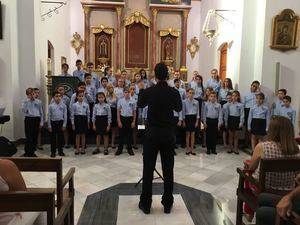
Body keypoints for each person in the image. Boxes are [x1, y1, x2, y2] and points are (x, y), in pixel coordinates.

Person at [138, 62, 182, 214]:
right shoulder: (173, 92)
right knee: (168, 169)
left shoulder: (150, 91)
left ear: (155, 76)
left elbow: (140, 104)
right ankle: (168, 203)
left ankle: (146, 203)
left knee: (148, 169)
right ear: (167, 75)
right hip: (168, 134)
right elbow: (179, 108)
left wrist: (141, 91)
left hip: (152, 134)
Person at [243, 116, 300, 222]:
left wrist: (247, 166)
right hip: (287, 191)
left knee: (246, 175)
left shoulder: (262, 147)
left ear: (272, 130)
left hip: (264, 189)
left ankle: (249, 213)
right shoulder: (296, 149)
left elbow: (252, 168)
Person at [21, 88, 44, 157]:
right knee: (29, 137)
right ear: (27, 94)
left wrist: (41, 122)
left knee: (34, 136)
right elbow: (24, 111)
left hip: (36, 119)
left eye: (33, 93)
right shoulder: (24, 101)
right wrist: (28, 101)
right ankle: (27, 151)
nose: (32, 95)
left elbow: (41, 112)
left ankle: (32, 151)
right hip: (29, 119)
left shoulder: (38, 102)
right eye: (30, 94)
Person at [116, 87, 136, 156]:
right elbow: (118, 112)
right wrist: (119, 121)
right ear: (123, 93)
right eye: (125, 92)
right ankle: (120, 149)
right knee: (121, 135)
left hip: (130, 119)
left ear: (130, 93)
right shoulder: (120, 101)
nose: (126, 93)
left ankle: (129, 148)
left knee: (129, 135)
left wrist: (133, 121)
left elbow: (134, 112)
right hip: (122, 118)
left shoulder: (133, 101)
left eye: (128, 92)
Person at [48, 91, 67, 157]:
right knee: (53, 139)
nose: (58, 98)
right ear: (53, 97)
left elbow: (65, 116)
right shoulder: (51, 106)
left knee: (60, 138)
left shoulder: (63, 105)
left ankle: (60, 151)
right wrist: (49, 126)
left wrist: (64, 125)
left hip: (60, 123)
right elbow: (49, 116)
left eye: (59, 96)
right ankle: (53, 152)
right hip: (53, 123)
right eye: (56, 96)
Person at [70, 91, 90, 155]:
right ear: (77, 97)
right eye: (79, 96)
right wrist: (73, 124)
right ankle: (77, 149)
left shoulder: (86, 105)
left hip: (84, 119)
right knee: (77, 135)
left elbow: (88, 114)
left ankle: (83, 148)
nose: (81, 97)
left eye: (82, 96)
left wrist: (88, 122)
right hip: (77, 119)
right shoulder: (74, 105)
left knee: (83, 135)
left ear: (83, 97)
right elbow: (72, 115)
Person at [182, 88, 199, 155]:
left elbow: (198, 112)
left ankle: (192, 149)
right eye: (190, 93)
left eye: (192, 93)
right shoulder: (184, 101)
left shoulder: (196, 102)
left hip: (193, 118)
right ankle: (187, 148)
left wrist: (197, 121)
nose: (191, 94)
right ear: (187, 94)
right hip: (187, 118)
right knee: (187, 134)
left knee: (193, 134)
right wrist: (183, 121)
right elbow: (183, 112)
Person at [106, 84, 118, 149]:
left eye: (111, 87)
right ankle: (107, 143)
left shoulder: (116, 96)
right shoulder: (105, 96)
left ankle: (113, 143)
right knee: (108, 128)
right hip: (107, 112)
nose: (110, 89)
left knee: (113, 128)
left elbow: (117, 105)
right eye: (109, 88)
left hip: (114, 112)